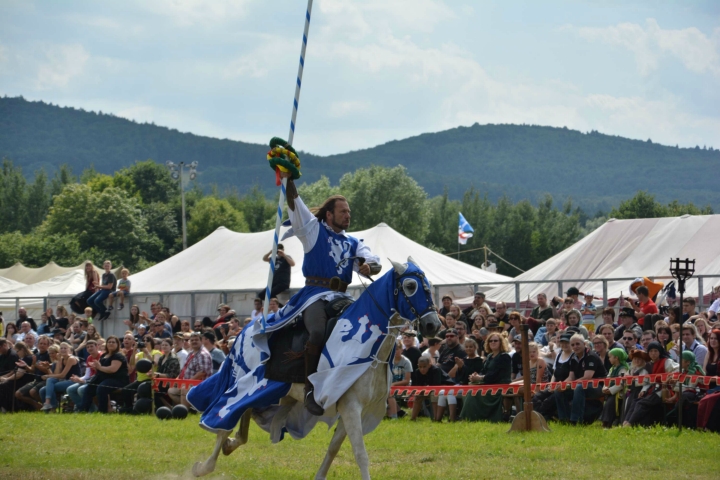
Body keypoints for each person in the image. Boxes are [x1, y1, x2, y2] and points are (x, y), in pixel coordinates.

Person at [274, 171, 382, 416]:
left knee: (364, 329)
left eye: (349, 212)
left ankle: (356, 383)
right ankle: (311, 388)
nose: (348, 216)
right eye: (343, 212)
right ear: (330, 214)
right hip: (314, 295)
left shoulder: (353, 243)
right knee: (319, 332)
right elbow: (295, 203)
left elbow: (374, 262)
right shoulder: (313, 231)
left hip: (343, 298)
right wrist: (288, 178)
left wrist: (369, 267)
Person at [554, 333, 607, 425]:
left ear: (584, 344)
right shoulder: (573, 358)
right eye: (573, 345)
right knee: (559, 391)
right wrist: (562, 385)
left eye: (578, 344)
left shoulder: (591, 356)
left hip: (599, 386)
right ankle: (564, 419)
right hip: (581, 384)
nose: (575, 346)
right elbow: (571, 376)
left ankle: (576, 420)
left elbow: (587, 377)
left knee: (579, 387)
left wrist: (569, 385)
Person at [460, 332, 511, 422]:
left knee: (473, 393)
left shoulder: (504, 357)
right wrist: (476, 375)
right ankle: (470, 417)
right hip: (488, 384)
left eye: (496, 340)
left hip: (500, 386)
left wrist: (481, 378)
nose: (493, 342)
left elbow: (496, 375)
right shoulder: (489, 356)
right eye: (490, 341)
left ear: (501, 342)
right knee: (469, 391)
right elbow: (483, 371)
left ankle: (468, 418)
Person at [623, 342, 678, 427]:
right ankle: (625, 422)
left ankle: (630, 424)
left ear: (659, 351)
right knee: (636, 401)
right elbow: (648, 381)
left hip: (664, 390)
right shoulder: (649, 364)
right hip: (651, 389)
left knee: (642, 403)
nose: (653, 353)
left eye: (655, 351)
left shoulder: (667, 361)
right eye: (651, 351)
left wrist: (669, 379)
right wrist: (644, 390)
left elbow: (677, 370)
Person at [78, 335, 129, 413]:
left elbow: (113, 369)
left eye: (113, 342)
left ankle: (102, 411)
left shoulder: (118, 356)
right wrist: (96, 367)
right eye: (109, 342)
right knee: (89, 388)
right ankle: (83, 410)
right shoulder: (104, 355)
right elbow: (101, 369)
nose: (111, 344)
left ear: (117, 344)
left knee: (102, 388)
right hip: (104, 378)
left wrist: (99, 367)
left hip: (118, 380)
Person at [121, 336, 161, 413]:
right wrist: (134, 351)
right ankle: (129, 407)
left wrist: (147, 353)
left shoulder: (156, 352)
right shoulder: (139, 354)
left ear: (151, 343)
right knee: (126, 390)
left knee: (141, 391)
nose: (145, 342)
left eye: (147, 341)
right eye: (143, 341)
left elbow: (155, 363)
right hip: (139, 379)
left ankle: (143, 410)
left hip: (150, 379)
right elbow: (132, 363)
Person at [38, 342, 80, 412]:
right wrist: (59, 360)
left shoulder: (71, 359)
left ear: (69, 350)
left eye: (65, 348)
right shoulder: (62, 359)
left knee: (51, 385)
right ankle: (48, 409)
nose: (63, 350)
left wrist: (47, 376)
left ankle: (51, 406)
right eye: (61, 348)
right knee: (42, 390)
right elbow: (56, 374)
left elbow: (62, 375)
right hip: (64, 381)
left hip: (73, 381)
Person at [66, 340, 101, 412]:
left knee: (81, 389)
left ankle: (91, 410)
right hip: (90, 379)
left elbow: (100, 374)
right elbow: (87, 375)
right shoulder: (89, 358)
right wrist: (78, 379)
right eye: (88, 347)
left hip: (97, 380)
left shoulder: (101, 356)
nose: (90, 348)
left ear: (97, 346)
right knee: (70, 389)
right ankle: (83, 408)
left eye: (91, 346)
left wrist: (83, 381)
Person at [409, 356, 448, 421]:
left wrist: (426, 389)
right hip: (428, 389)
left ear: (429, 365)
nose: (422, 369)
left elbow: (436, 385)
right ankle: (413, 418)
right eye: (420, 367)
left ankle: (436, 418)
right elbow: (418, 386)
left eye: (424, 367)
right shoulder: (417, 372)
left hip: (444, 387)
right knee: (417, 395)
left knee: (434, 394)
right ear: (418, 366)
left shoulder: (436, 370)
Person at [600, 348, 629, 428]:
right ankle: (605, 421)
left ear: (616, 358)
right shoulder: (612, 369)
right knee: (607, 403)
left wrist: (611, 390)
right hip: (610, 392)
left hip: (618, 393)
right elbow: (608, 379)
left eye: (610, 357)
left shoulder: (623, 369)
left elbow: (622, 383)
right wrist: (605, 387)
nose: (609, 359)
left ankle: (608, 422)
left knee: (610, 403)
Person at [151, 338, 181, 409]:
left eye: (166, 345)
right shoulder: (161, 358)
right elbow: (158, 370)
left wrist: (157, 375)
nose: (164, 346)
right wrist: (153, 374)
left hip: (170, 383)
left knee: (153, 390)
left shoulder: (173, 359)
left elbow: (171, 375)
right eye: (163, 345)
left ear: (171, 347)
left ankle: (169, 408)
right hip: (160, 382)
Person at [387, 341, 411, 420]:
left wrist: (393, 384)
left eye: (397, 349)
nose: (395, 351)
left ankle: (394, 416)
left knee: (389, 393)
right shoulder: (388, 362)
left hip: (404, 386)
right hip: (390, 386)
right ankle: (399, 412)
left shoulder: (406, 362)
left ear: (401, 350)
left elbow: (407, 380)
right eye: (393, 349)